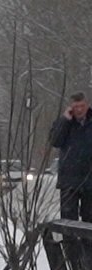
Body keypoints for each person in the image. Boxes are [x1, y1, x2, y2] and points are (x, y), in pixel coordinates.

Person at [51, 92, 92, 221]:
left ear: (88, 105)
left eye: (82, 106)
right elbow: (55, 141)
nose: (79, 110)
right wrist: (64, 121)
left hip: (90, 179)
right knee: (68, 221)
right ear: (70, 108)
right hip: (69, 180)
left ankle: (87, 242)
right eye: (76, 107)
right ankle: (70, 242)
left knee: (89, 220)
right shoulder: (64, 123)